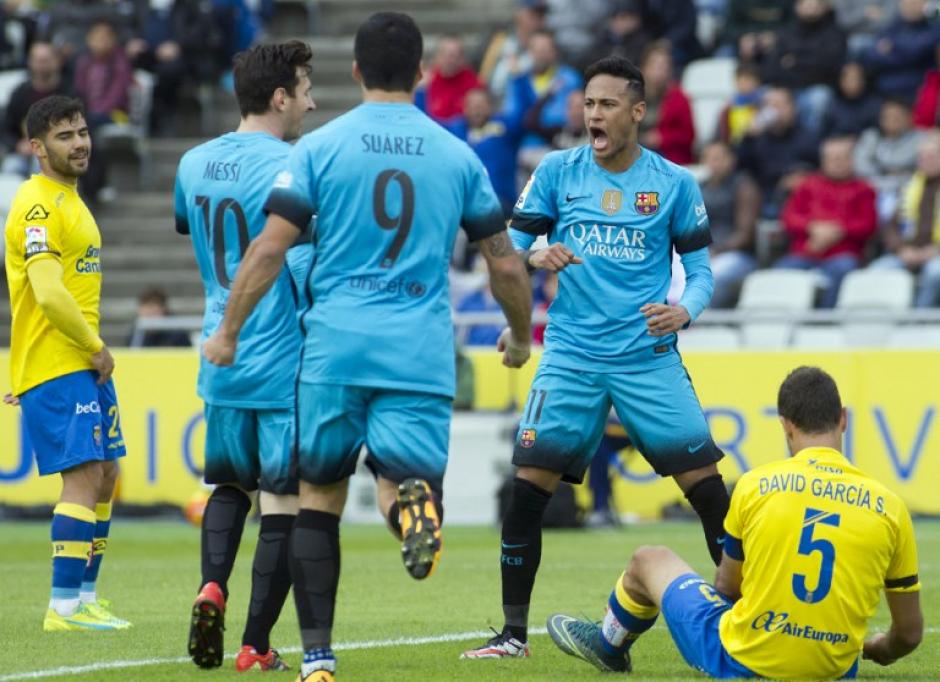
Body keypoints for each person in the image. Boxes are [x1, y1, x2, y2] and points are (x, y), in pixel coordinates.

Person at [202, 13, 533, 682]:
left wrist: (229, 329)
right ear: (421, 73)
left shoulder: (319, 149)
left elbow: (269, 248)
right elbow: (503, 261)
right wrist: (522, 335)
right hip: (418, 352)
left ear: (354, 71)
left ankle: (317, 659)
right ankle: (411, 509)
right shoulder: (456, 155)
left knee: (318, 500)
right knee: (401, 482)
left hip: (335, 348)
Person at [461, 56, 728, 661]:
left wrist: (685, 311)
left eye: (607, 104)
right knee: (527, 491)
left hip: (646, 359)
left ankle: (746, 620)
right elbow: (506, 250)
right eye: (588, 104)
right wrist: (536, 257)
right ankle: (512, 636)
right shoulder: (557, 172)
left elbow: (702, 273)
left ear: (637, 112)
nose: (593, 115)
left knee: (709, 492)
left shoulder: (673, 182)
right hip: (572, 356)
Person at [546, 366, 923, 679]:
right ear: (843, 418)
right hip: (834, 671)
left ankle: (608, 645)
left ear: (785, 425)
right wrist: (878, 648)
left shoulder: (756, 485)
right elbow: (908, 634)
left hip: (742, 661)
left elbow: (727, 587)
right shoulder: (889, 507)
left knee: (649, 559)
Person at [174, 41, 315, 672]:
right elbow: (299, 256)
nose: (312, 102)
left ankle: (212, 586)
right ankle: (255, 644)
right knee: (284, 502)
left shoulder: (192, 162)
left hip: (219, 349)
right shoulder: (296, 165)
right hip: (280, 356)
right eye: (305, 89)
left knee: (229, 486)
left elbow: (189, 227)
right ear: (280, 97)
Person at [3, 95, 130, 632]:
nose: (79, 143)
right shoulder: (37, 205)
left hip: (78, 361)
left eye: (81, 132)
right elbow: (48, 292)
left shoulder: (72, 199)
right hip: (63, 358)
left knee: (106, 473)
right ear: (37, 147)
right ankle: (63, 608)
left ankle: (86, 596)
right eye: (64, 136)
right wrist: (94, 346)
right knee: (83, 476)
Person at [776, 136, 877, 308]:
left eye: (841, 158)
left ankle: (826, 320)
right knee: (782, 272)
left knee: (841, 269)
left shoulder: (864, 189)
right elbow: (789, 218)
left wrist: (839, 231)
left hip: (844, 253)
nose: (836, 163)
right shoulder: (807, 185)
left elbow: (868, 224)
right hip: (806, 251)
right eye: (831, 158)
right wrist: (812, 228)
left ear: (851, 160)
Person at [869, 131, 940, 307]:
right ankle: (892, 319)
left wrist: (934, 251)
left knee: (935, 272)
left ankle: (919, 319)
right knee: (876, 271)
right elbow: (891, 227)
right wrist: (901, 249)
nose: (926, 161)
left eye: (932, 156)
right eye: (922, 157)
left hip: (936, 254)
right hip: (907, 252)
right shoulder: (909, 187)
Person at [699, 141, 760, 308]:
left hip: (737, 255)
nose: (714, 163)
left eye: (719, 158)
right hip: (702, 252)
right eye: (709, 158)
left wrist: (716, 250)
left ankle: (700, 320)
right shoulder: (698, 187)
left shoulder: (744, 186)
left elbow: (745, 234)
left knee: (709, 278)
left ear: (731, 160)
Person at [126, 287, 191, 347]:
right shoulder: (135, 334)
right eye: (147, 308)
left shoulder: (177, 334)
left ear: (164, 309)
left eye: (153, 308)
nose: (149, 312)